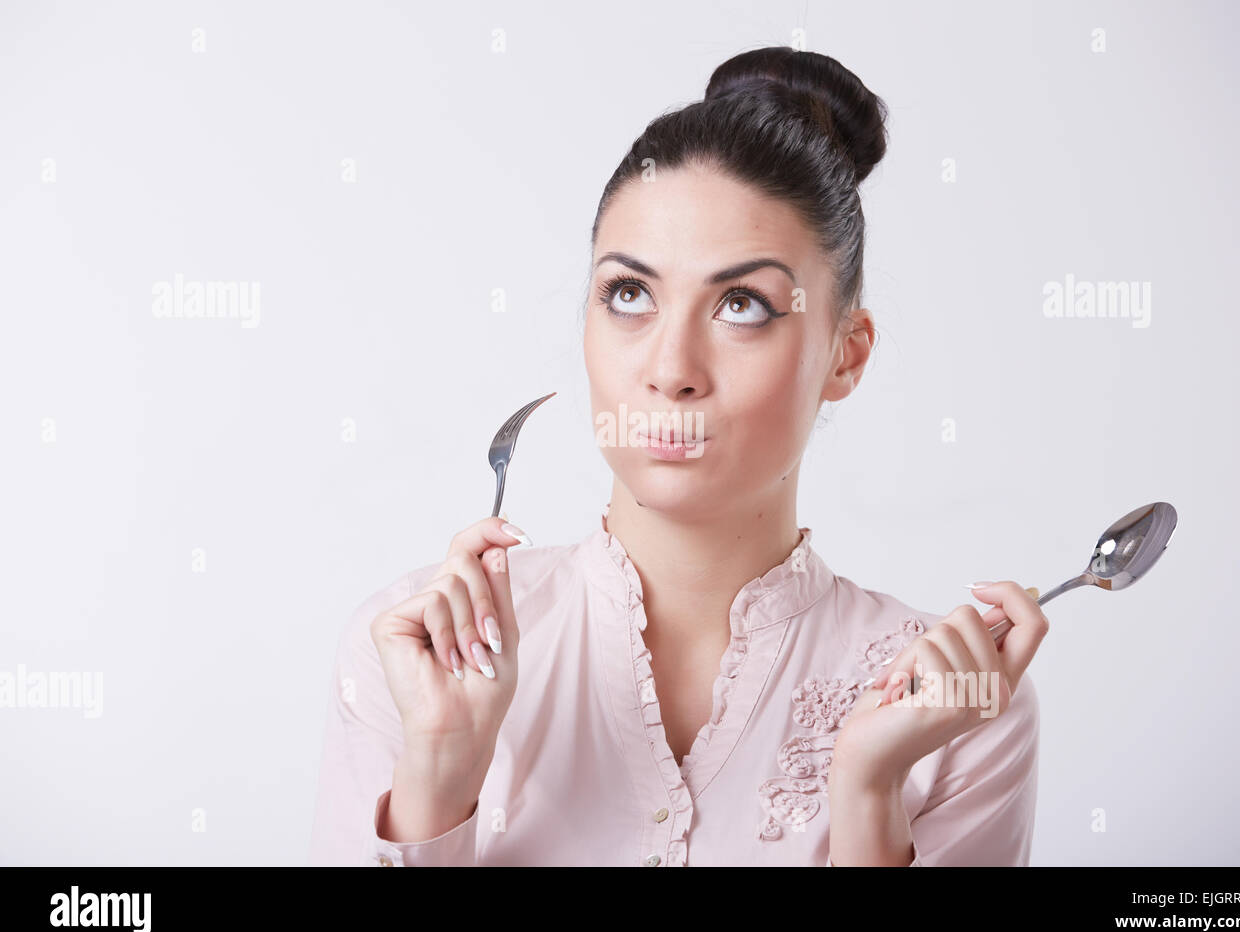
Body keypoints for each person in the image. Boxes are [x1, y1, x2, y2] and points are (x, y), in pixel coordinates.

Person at [309, 46, 1048, 867]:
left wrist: (870, 795)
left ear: (846, 354)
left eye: (742, 305)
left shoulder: (956, 706)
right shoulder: (408, 653)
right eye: (629, 294)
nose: (670, 370)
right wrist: (440, 776)